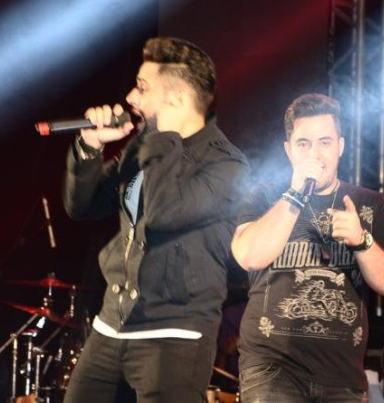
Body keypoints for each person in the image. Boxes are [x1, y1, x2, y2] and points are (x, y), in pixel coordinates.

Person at [62, 37, 249, 403]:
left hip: (174, 334)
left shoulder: (226, 164)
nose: (131, 97)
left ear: (176, 99)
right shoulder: (143, 148)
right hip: (112, 325)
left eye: (143, 88)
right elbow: (82, 206)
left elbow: (165, 212)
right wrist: (90, 147)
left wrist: (164, 136)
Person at [231, 93, 384, 403]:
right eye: (303, 144)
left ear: (340, 146)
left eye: (325, 142)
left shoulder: (372, 204)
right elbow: (248, 256)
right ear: (288, 150)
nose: (315, 154)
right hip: (272, 369)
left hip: (343, 377)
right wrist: (294, 196)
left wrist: (362, 240)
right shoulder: (264, 196)